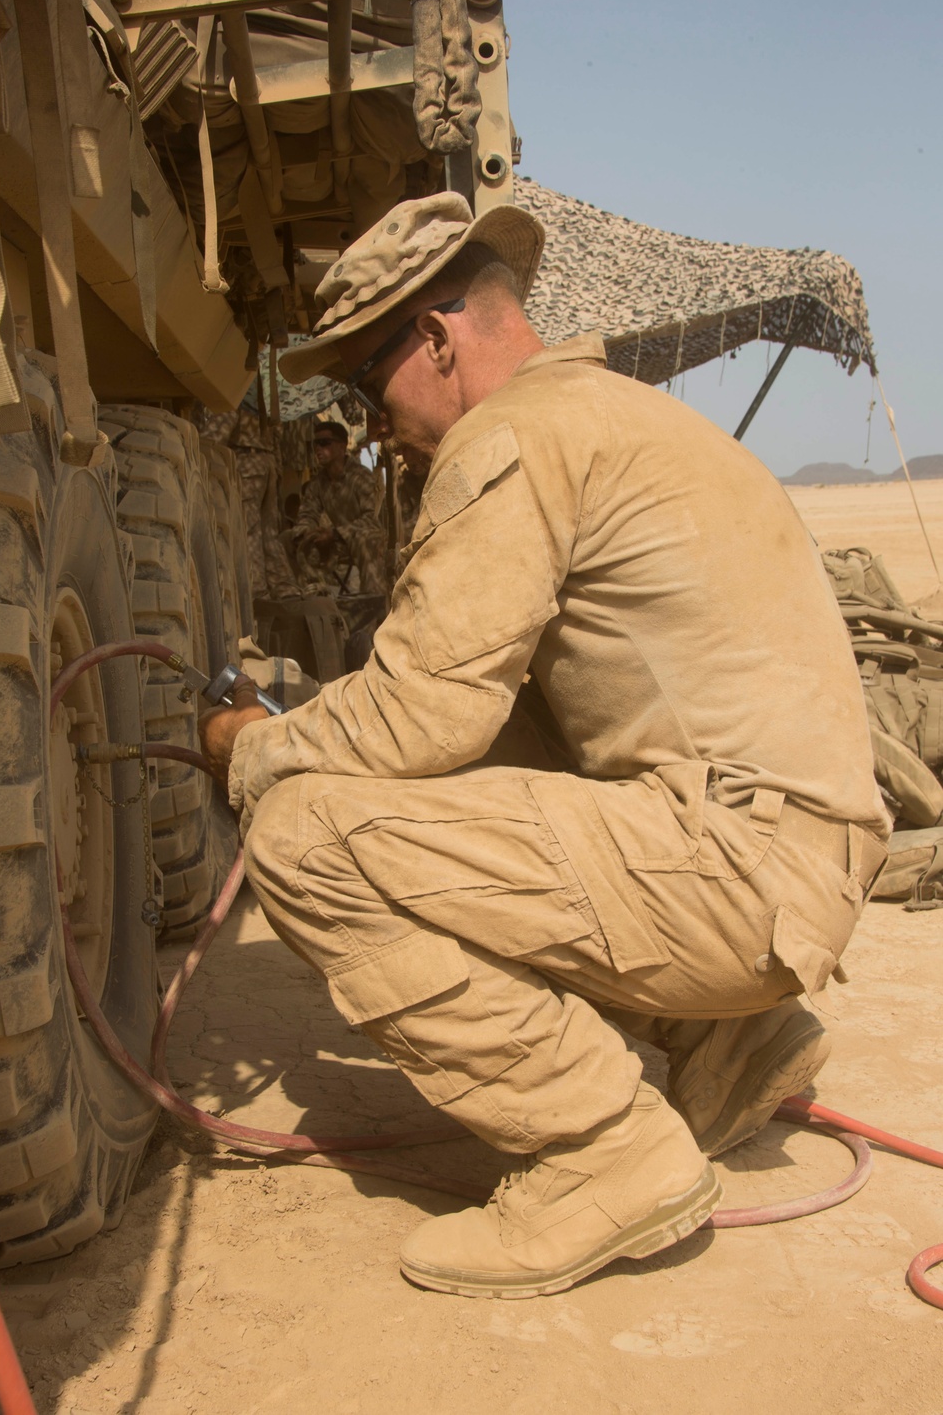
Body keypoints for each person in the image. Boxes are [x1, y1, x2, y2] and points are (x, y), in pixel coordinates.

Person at [199, 192, 889, 1300]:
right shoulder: (615, 413)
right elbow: (480, 725)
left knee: (303, 836)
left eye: (369, 386)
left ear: (435, 339)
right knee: (467, 773)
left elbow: (421, 714)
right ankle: (730, 1042)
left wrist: (251, 746)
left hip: (739, 873)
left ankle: (599, 1153)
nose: (373, 426)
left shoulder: (510, 434)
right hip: (788, 860)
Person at [200, 398, 301, 601]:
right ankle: (284, 589)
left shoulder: (236, 389)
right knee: (269, 533)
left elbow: (221, 427)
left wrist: (198, 449)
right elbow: (277, 432)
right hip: (267, 461)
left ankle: (257, 592)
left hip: (246, 460)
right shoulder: (262, 390)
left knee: (248, 529)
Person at [291, 417, 387, 595]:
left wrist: (335, 533)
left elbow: (370, 519)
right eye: (315, 444)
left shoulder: (361, 476)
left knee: (366, 539)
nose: (318, 449)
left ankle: (374, 602)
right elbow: (307, 514)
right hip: (335, 544)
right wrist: (307, 533)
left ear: (342, 446)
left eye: (324, 443)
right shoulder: (318, 483)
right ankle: (301, 596)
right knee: (288, 539)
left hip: (362, 539)